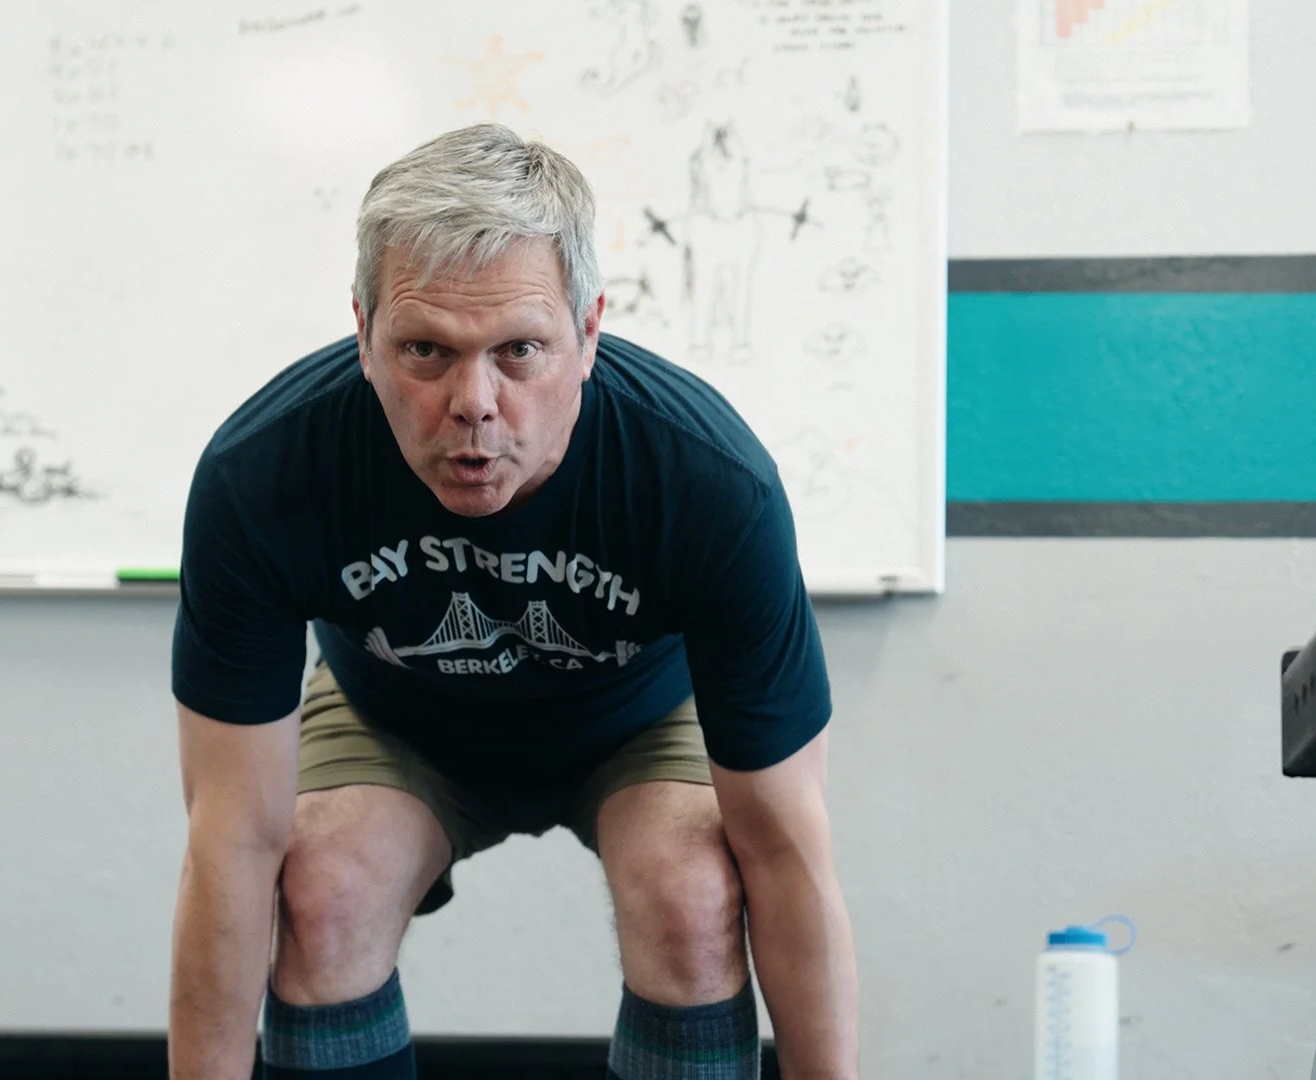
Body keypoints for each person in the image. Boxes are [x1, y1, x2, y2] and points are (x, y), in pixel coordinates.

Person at [166, 122, 858, 1080]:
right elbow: (230, 843)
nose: (475, 404)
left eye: (520, 351)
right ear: (361, 334)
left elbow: (787, 852)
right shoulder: (264, 473)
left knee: (693, 892)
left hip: (640, 714)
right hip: (393, 710)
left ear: (590, 334)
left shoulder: (707, 480)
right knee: (321, 886)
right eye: (425, 351)